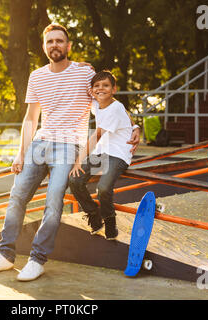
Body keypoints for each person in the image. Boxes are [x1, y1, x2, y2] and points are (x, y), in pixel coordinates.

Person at [0, 24, 140, 281]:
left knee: (53, 202)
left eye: (59, 41)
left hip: (69, 147)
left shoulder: (84, 73)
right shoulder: (37, 76)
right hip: (39, 144)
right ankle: (5, 255)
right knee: (17, 196)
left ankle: (37, 259)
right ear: (44, 47)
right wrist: (21, 153)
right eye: (50, 41)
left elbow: (107, 100)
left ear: (68, 46)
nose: (55, 45)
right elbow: (31, 117)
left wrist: (134, 125)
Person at [69, 70, 139, 240]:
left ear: (114, 89)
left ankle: (109, 220)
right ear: (93, 90)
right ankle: (93, 214)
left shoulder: (115, 108)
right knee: (74, 180)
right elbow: (86, 83)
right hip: (102, 151)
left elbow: (96, 136)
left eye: (106, 85)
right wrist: (81, 66)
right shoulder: (96, 103)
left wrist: (79, 161)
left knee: (104, 188)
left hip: (119, 154)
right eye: (97, 86)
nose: (101, 89)